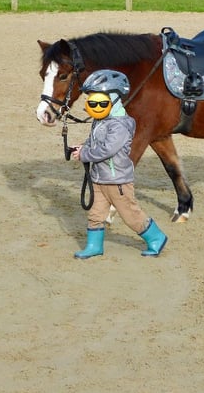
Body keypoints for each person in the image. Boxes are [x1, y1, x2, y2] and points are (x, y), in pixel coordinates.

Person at [70, 69, 168, 259]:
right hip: (99, 178)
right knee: (96, 214)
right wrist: (82, 146)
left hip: (117, 181)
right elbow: (95, 142)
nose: (92, 104)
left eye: (97, 100)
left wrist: (85, 155)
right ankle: (94, 246)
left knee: (130, 214)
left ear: (112, 99)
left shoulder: (120, 125)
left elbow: (107, 150)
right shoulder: (100, 121)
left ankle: (156, 237)